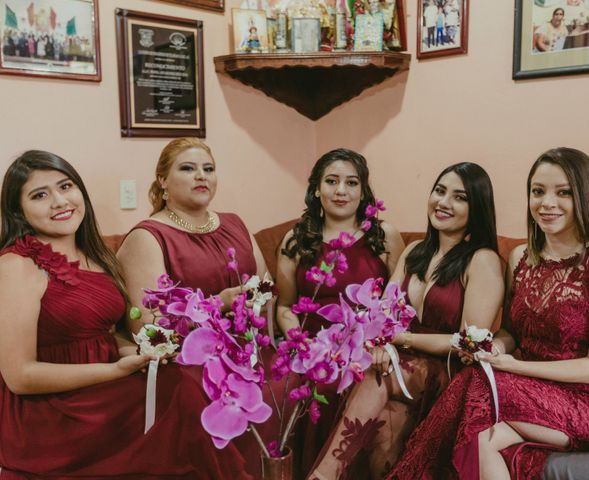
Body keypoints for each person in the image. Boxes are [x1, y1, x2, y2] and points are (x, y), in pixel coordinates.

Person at [387, 147, 589, 480]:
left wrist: (515, 366)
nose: (546, 203)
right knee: (480, 437)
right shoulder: (520, 258)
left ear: (586, 197)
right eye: (538, 191)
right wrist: (495, 349)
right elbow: (511, 333)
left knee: (474, 387)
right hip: (526, 389)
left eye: (563, 192)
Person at [0, 150, 251, 479]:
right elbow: (20, 377)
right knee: (181, 398)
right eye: (40, 195)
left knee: (182, 383)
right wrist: (116, 370)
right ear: (19, 210)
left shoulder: (96, 255)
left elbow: (106, 334)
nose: (59, 201)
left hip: (104, 390)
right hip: (53, 411)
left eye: (66, 186)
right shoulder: (15, 265)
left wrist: (141, 353)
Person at [308, 162, 504, 480]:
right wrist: (381, 345)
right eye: (439, 191)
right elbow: (382, 314)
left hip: (451, 370)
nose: (444, 202)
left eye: (459, 197)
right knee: (388, 418)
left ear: (477, 207)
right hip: (400, 366)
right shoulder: (415, 251)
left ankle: (322, 476)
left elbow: (469, 342)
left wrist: (399, 342)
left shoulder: (482, 260)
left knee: (377, 375)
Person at [117, 137, 269, 478]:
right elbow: (150, 328)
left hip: (248, 349)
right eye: (188, 168)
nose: (201, 176)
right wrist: (220, 303)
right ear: (163, 180)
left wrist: (256, 301)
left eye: (209, 169)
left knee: (291, 384)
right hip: (187, 362)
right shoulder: (148, 236)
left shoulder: (235, 223)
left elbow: (265, 284)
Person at [276, 148, 405, 477]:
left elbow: (398, 302)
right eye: (331, 181)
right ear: (317, 188)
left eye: (351, 183)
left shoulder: (384, 236)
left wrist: (378, 343)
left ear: (363, 191)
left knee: (349, 385)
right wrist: (302, 342)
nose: (341, 191)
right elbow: (285, 306)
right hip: (313, 350)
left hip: (367, 348)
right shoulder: (296, 240)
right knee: (312, 387)